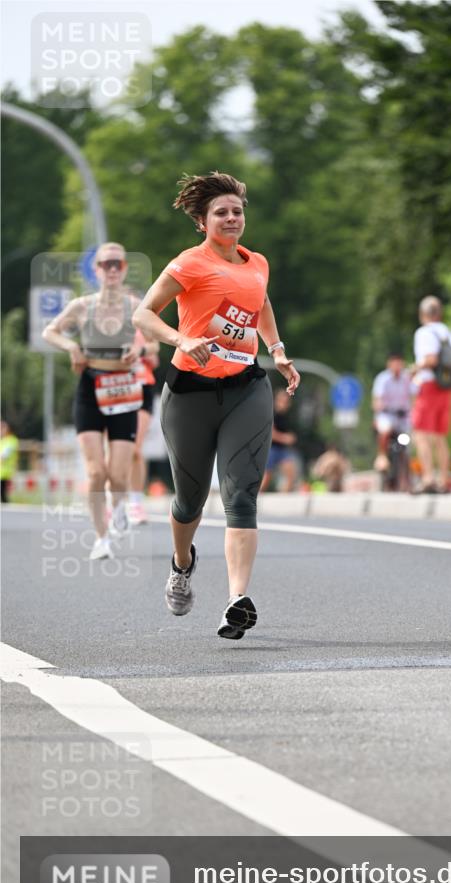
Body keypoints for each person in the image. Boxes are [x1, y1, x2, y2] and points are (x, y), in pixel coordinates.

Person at [132, 171, 299, 639]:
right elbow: (142, 313)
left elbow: (260, 304)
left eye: (237, 211)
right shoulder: (189, 263)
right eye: (221, 212)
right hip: (190, 393)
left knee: (241, 494)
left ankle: (236, 600)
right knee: (188, 499)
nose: (231, 218)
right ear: (203, 222)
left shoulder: (257, 263)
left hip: (246, 388)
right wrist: (181, 338)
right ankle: (182, 565)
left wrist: (278, 351)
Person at [42, 243, 143, 559]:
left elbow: (154, 345)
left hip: (124, 389)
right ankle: (102, 539)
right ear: (96, 270)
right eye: (105, 264)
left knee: (118, 475)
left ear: (124, 268)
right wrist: (71, 347)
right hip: (90, 388)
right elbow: (50, 331)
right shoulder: (81, 306)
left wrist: (138, 351)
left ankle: (122, 504)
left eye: (117, 264)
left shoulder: (135, 306)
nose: (112, 269)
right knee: (96, 473)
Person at [411, 296, 451, 493]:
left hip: (430, 385)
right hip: (447, 387)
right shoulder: (449, 333)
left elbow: (430, 359)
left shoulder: (424, 333)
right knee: (440, 436)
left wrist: (415, 368)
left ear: (422, 314)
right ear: (440, 313)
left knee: (421, 434)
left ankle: (428, 478)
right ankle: (444, 479)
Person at [128, 329, 160, 524]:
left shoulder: (143, 329)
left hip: (141, 387)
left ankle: (135, 503)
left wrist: (139, 351)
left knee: (135, 449)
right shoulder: (106, 327)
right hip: (113, 388)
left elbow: (155, 361)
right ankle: (110, 501)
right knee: (114, 448)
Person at [372, 352, 413, 479]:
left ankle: (406, 468)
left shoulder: (407, 378)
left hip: (403, 416)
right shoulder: (382, 379)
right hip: (387, 414)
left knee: (408, 440)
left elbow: (414, 393)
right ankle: (382, 456)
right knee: (385, 432)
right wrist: (379, 406)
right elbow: (377, 398)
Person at [261, 388, 299, 492]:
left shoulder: (286, 416)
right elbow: (271, 433)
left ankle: (283, 499)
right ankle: (253, 500)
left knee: (291, 474)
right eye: (282, 400)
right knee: (266, 478)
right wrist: (285, 438)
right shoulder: (272, 413)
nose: (284, 403)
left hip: (282, 450)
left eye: (286, 401)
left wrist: (290, 437)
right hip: (271, 448)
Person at [0, 420, 19, 503]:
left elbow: (4, 455)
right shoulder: (2, 440)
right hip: (2, 471)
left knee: (3, 494)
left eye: (2, 428)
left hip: (5, 471)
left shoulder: (12, 440)